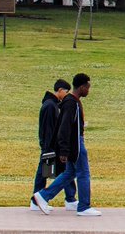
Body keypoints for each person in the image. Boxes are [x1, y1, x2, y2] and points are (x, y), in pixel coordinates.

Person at [32, 73, 98, 216]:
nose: (88, 91)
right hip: (75, 144)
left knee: (70, 173)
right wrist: (63, 150)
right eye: (87, 87)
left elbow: (70, 125)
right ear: (81, 87)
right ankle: (84, 207)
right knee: (83, 173)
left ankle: (43, 196)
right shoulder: (71, 103)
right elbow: (64, 127)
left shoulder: (71, 101)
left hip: (72, 143)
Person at [32, 79, 77, 211]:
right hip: (50, 147)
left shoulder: (52, 105)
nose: (67, 95)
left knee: (64, 171)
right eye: (66, 92)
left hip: (52, 145)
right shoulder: (50, 106)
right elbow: (48, 129)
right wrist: (48, 148)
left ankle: (70, 198)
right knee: (45, 172)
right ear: (60, 90)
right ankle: (36, 201)